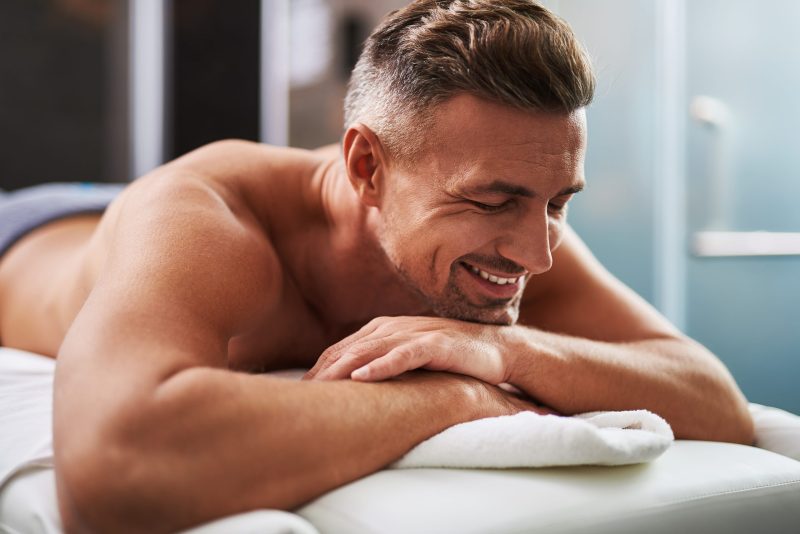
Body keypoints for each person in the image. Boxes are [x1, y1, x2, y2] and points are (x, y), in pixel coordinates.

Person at [0, 0, 753, 531]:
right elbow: (114, 473)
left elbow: (717, 403)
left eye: (559, 202)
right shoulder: (212, 220)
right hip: (31, 232)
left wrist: (501, 348)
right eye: (493, 201)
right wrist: (458, 397)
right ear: (367, 166)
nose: (537, 253)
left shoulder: (521, 211)